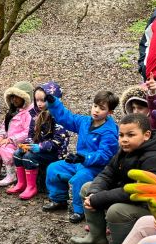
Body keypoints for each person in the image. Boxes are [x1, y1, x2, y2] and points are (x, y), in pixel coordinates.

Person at [70, 113, 156, 244]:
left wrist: (99, 198)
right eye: (121, 135)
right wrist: (94, 193)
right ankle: (96, 238)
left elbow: (140, 192)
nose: (124, 140)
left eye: (131, 135)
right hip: (135, 199)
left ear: (146, 135)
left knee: (117, 211)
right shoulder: (126, 150)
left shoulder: (155, 158)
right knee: (87, 187)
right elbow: (107, 174)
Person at [42, 90, 119, 223]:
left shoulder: (109, 131)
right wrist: (53, 102)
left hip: (96, 168)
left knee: (80, 179)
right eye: (95, 106)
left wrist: (84, 158)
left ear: (110, 112)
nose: (96, 110)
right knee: (54, 168)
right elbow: (67, 118)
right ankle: (59, 199)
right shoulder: (85, 121)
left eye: (102, 108)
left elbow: (105, 155)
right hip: (79, 162)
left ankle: (80, 210)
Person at [6, 81, 69, 200]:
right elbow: (31, 134)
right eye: (37, 100)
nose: (39, 104)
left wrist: (39, 147)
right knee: (18, 153)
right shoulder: (35, 114)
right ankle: (21, 183)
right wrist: (27, 144)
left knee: (30, 157)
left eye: (43, 100)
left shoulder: (59, 117)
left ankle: (32, 186)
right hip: (39, 148)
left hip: (54, 153)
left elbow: (58, 141)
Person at [0, 81, 34, 187]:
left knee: (6, 150)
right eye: (12, 97)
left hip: (20, 143)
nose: (14, 99)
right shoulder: (13, 111)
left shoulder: (28, 113)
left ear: (25, 98)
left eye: (17, 97)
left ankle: (11, 174)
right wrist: (0, 137)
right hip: (9, 140)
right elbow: (4, 126)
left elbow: (27, 132)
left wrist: (10, 139)